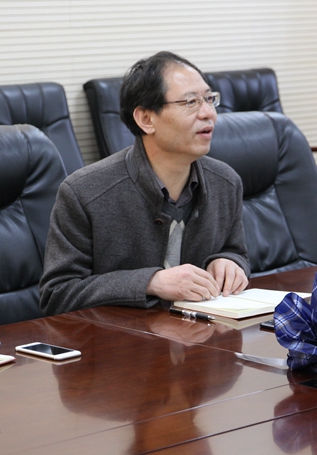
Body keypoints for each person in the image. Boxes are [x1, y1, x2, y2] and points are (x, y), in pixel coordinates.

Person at [39, 51, 249, 316]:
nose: (209, 113)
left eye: (209, 99)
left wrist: (230, 262)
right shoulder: (84, 193)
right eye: (191, 102)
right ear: (146, 119)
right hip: (121, 338)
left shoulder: (226, 182)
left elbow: (235, 251)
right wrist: (151, 282)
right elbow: (57, 295)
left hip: (202, 335)